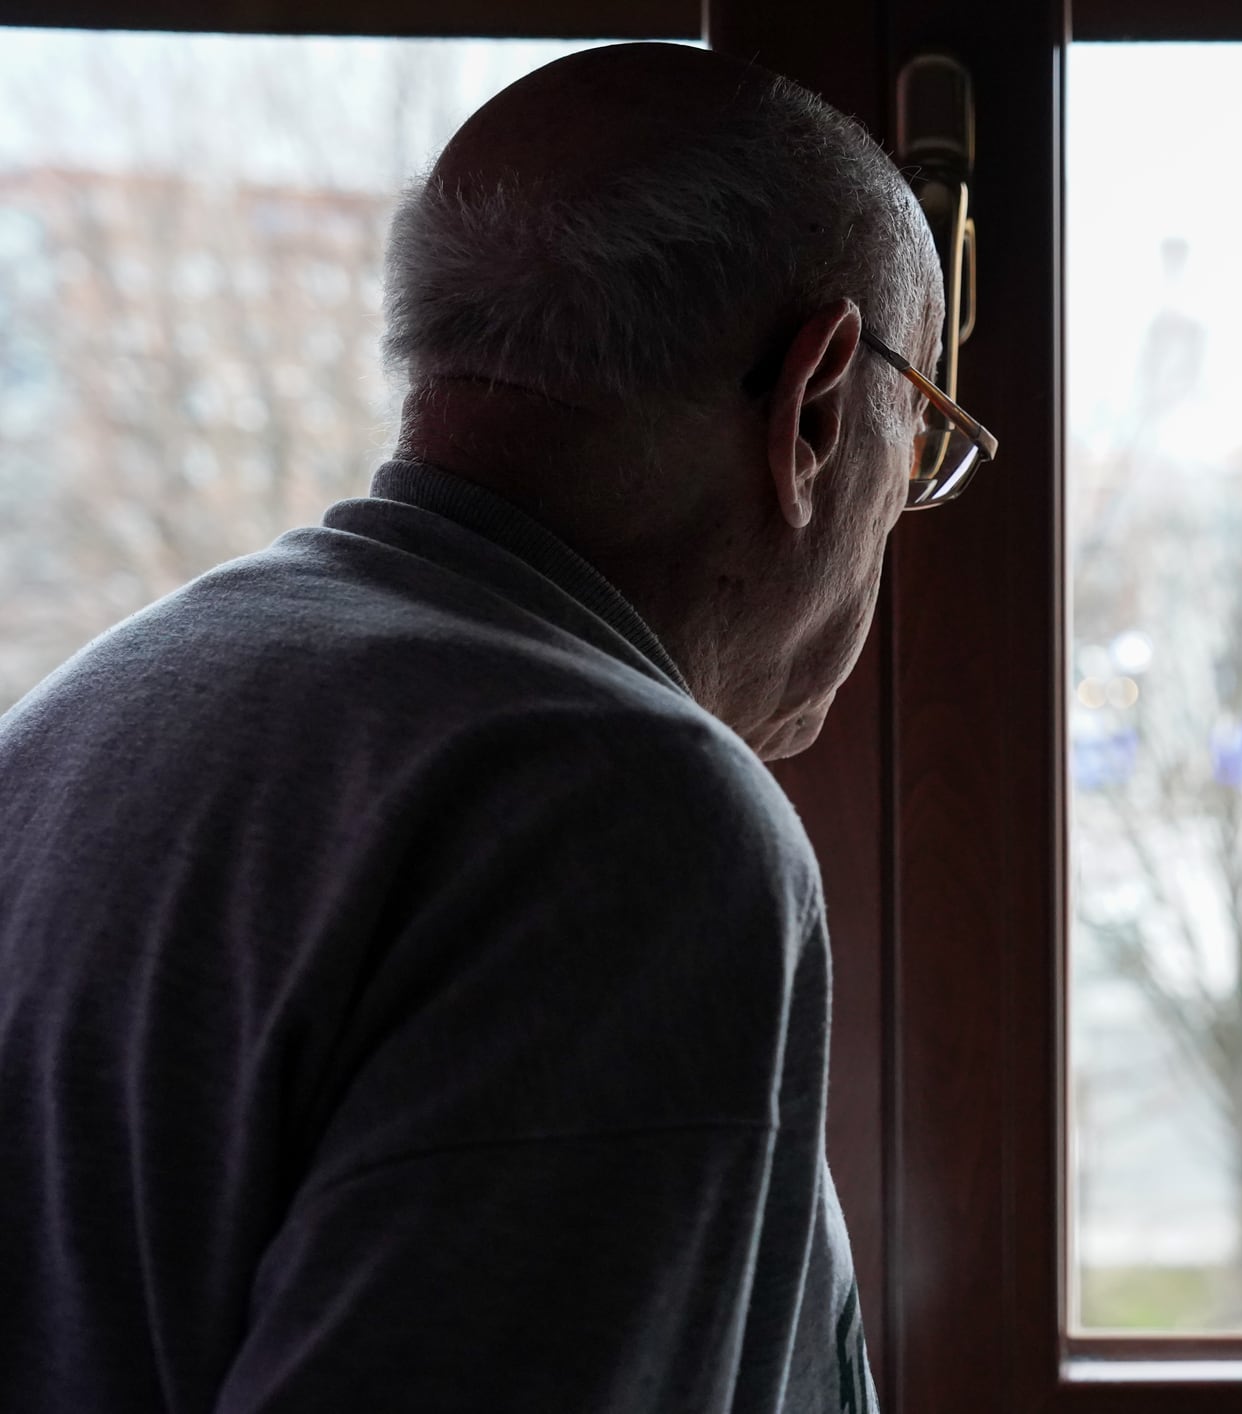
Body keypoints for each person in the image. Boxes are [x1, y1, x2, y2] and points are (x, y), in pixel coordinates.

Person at [0, 40, 972, 1413]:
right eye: (919, 433)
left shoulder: (96, 711)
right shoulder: (621, 817)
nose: (904, 509)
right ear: (813, 411)